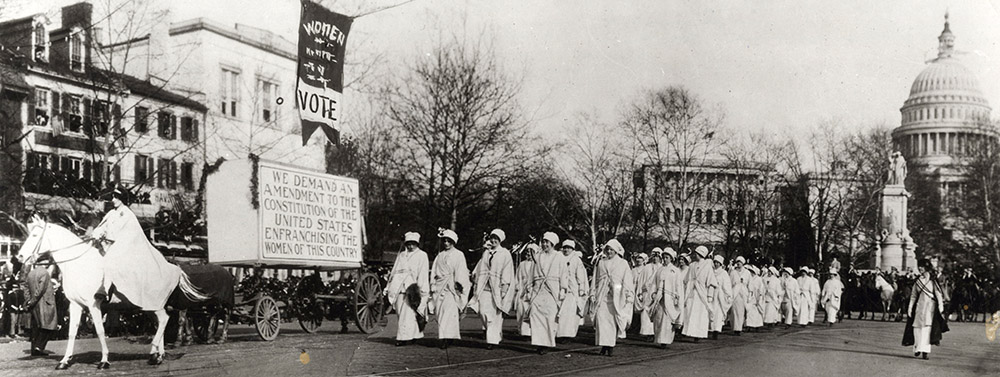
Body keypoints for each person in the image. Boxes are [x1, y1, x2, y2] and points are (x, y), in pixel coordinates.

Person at [91, 187, 177, 309]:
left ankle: (104, 289)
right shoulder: (111, 213)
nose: (113, 199)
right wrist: (97, 233)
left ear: (122, 199)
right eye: (113, 197)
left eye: (116, 197)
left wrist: (110, 240)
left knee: (110, 259)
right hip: (106, 246)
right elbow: (102, 226)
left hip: (123, 248)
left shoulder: (127, 215)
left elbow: (129, 235)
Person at [469, 229, 515, 350]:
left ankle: (492, 340)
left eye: (496, 238)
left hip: (497, 288)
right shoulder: (486, 253)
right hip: (484, 288)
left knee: (494, 315)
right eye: (492, 237)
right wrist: (475, 275)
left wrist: (504, 288)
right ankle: (496, 334)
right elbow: (480, 266)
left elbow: (507, 270)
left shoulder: (504, 253)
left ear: (500, 240)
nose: (493, 240)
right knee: (483, 312)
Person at [589, 239, 634, 356]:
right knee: (601, 320)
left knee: (612, 321)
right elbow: (595, 278)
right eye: (607, 249)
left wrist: (629, 295)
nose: (609, 251)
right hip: (602, 294)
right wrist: (593, 292)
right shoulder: (601, 262)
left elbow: (627, 280)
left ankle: (610, 346)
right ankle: (603, 345)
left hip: (617, 295)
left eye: (611, 249)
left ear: (616, 250)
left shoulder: (623, 263)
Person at [384, 232, 429, 346]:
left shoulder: (422, 255)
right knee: (400, 312)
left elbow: (423, 273)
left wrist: (421, 289)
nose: (410, 246)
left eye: (413, 244)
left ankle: (402, 338)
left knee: (408, 313)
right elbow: (395, 271)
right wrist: (389, 286)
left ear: (417, 244)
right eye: (408, 244)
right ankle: (415, 334)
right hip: (399, 286)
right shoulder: (402, 255)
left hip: (412, 287)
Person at [527, 232, 569, 354]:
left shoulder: (559, 257)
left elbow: (564, 274)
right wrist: (529, 287)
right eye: (543, 242)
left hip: (552, 291)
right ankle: (539, 343)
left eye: (547, 242)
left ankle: (546, 343)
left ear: (553, 244)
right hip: (538, 290)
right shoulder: (538, 256)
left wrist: (563, 289)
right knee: (535, 315)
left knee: (549, 317)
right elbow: (531, 273)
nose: (545, 244)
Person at [429, 229, 469, 349]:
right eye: (444, 241)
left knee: (449, 312)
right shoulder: (440, 255)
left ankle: (447, 338)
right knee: (440, 312)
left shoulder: (459, 254)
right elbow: (434, 271)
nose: (446, 243)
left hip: (451, 287)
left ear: (453, 242)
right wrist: (433, 284)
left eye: (449, 241)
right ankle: (445, 336)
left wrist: (459, 285)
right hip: (440, 286)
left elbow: (461, 271)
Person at [903, 258, 947, 360]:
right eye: (919, 267)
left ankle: (925, 351)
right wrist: (910, 308)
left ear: (927, 268)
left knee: (927, 330)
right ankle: (917, 348)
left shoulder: (932, 281)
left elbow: (938, 295)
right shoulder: (917, 281)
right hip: (919, 307)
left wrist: (941, 307)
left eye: (922, 267)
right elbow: (913, 296)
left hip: (929, 308)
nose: (920, 268)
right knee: (917, 329)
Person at [681, 246, 717, 342]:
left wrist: (710, 295)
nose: (695, 255)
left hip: (702, 293)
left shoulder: (707, 266)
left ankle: (698, 334)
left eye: (696, 253)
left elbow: (712, 283)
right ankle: (689, 332)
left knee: (700, 314)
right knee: (689, 311)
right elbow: (686, 279)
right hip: (692, 292)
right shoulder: (692, 265)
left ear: (701, 254)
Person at [23, 259, 57, 357]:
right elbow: (41, 290)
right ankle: (39, 346)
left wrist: (29, 300)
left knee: (36, 327)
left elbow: (25, 287)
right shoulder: (45, 273)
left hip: (34, 305)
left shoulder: (31, 273)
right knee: (49, 326)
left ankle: (34, 349)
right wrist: (33, 300)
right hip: (45, 303)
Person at [650, 248, 683, 348]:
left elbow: (678, 285)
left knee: (668, 320)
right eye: (663, 258)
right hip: (660, 298)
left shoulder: (675, 271)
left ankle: (665, 340)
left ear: (671, 259)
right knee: (659, 319)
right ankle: (659, 338)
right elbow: (654, 283)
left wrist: (677, 297)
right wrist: (653, 293)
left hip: (670, 298)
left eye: (667, 258)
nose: (665, 260)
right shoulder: (659, 270)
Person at [556, 240, 588, 341]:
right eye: (565, 247)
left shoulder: (576, 260)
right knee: (559, 312)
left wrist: (581, 289)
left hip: (572, 290)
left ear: (572, 249)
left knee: (569, 314)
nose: (566, 250)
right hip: (559, 288)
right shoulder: (558, 257)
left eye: (569, 248)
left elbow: (580, 275)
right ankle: (558, 333)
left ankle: (567, 335)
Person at [634, 250, 659, 338]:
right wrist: (640, 293)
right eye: (654, 257)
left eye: (657, 257)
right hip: (646, 293)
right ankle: (647, 332)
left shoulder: (662, 268)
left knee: (655, 312)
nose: (655, 258)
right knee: (645, 311)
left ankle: (655, 332)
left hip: (656, 293)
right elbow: (641, 281)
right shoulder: (647, 267)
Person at [514, 244, 538, 337]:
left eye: (531, 251)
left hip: (532, 291)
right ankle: (522, 331)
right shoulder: (522, 264)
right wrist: (517, 287)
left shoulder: (537, 264)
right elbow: (517, 277)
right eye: (527, 251)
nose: (528, 253)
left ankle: (530, 332)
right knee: (520, 311)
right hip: (522, 290)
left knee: (530, 312)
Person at [710, 255, 732, 339]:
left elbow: (726, 285)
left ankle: (716, 331)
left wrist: (727, 294)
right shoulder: (711, 271)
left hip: (720, 296)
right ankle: (711, 329)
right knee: (711, 311)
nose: (716, 264)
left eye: (718, 263)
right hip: (711, 294)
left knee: (718, 313)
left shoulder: (724, 273)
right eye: (715, 262)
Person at [729, 256, 751, 335]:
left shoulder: (747, 273)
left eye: (740, 262)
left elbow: (750, 284)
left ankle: (739, 328)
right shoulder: (733, 272)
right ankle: (735, 328)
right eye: (737, 262)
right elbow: (730, 284)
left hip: (743, 294)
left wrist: (749, 294)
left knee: (741, 312)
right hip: (735, 293)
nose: (738, 264)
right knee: (734, 311)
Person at [744, 265, 765, 331]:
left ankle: (757, 326)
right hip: (750, 297)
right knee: (749, 312)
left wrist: (759, 297)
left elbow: (761, 289)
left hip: (756, 297)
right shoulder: (748, 278)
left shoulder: (758, 279)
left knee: (756, 313)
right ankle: (749, 326)